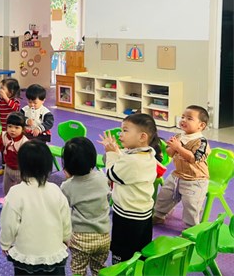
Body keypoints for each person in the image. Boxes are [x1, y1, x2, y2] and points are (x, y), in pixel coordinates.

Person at [0, 140, 72, 275]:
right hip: (53, 253)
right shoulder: (55, 190)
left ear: (21, 166)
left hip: (26, 256)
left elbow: (8, 223)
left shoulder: (16, 192)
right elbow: (65, 218)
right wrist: (66, 237)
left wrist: (5, 243)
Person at [99, 113, 160, 264]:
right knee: (140, 250)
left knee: (122, 252)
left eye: (125, 130)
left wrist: (110, 153)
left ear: (142, 137)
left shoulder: (133, 161)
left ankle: (122, 269)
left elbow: (111, 174)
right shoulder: (148, 153)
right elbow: (126, 159)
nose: (120, 134)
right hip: (143, 213)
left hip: (127, 216)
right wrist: (116, 151)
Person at [153, 105, 211, 227]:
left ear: (201, 125)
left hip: (196, 179)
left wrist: (178, 147)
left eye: (189, 118)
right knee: (165, 195)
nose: (183, 120)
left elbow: (194, 158)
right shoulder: (179, 136)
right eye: (183, 117)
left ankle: (191, 228)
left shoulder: (202, 142)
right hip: (178, 175)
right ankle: (159, 215)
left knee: (191, 205)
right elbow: (170, 153)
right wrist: (172, 147)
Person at [61, 137, 111, 276]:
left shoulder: (67, 186)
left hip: (80, 238)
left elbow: (63, 207)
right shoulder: (102, 178)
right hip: (104, 236)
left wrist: (69, 179)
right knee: (100, 269)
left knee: (78, 270)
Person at [0, 112, 29, 197]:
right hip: (7, 168)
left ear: (23, 129)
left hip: (20, 171)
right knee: (6, 189)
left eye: (16, 127)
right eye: (10, 126)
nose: (12, 130)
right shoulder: (4, 135)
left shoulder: (24, 142)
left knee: (21, 192)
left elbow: (27, 158)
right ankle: (7, 201)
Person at [0, 78, 21, 175]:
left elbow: (16, 108)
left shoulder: (15, 101)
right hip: (4, 131)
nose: (0, 90)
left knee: (14, 150)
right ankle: (4, 167)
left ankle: (16, 167)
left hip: (14, 132)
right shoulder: (0, 101)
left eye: (2, 88)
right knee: (3, 150)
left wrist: (6, 98)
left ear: (11, 92)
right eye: (0, 88)